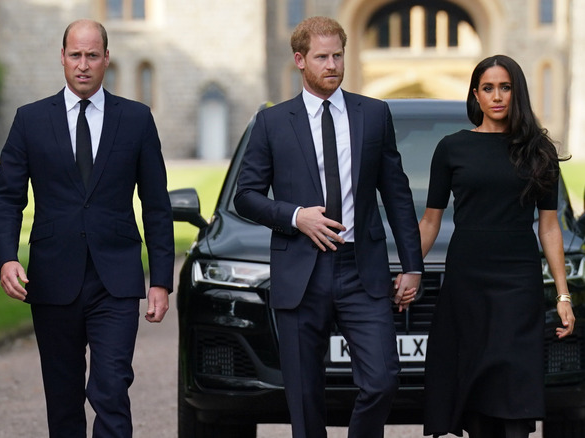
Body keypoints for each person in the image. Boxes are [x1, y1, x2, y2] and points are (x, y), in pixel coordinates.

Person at [234, 16, 423, 438]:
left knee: (382, 380)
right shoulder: (272, 122)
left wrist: (412, 265)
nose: (333, 64)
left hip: (362, 269)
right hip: (301, 269)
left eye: (338, 55)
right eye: (322, 57)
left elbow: (396, 192)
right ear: (300, 60)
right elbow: (245, 196)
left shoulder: (374, 114)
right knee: (303, 396)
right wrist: (296, 216)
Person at [0, 19, 174, 438]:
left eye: (93, 55)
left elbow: (157, 205)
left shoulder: (137, 119)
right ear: (62, 57)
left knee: (111, 388)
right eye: (76, 55)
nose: (84, 65)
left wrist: (161, 279)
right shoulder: (30, 120)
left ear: (107, 58)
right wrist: (7, 258)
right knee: (64, 398)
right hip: (53, 279)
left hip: (117, 279)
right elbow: (5, 196)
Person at [420, 55, 576, 438]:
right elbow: (430, 221)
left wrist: (562, 295)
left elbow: (550, 227)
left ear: (516, 92)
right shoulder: (451, 148)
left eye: (505, 87)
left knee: (514, 383)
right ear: (475, 94)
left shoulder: (538, 150)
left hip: (518, 281)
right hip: (467, 281)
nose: (497, 96)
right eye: (488, 88)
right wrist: (410, 268)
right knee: (475, 388)